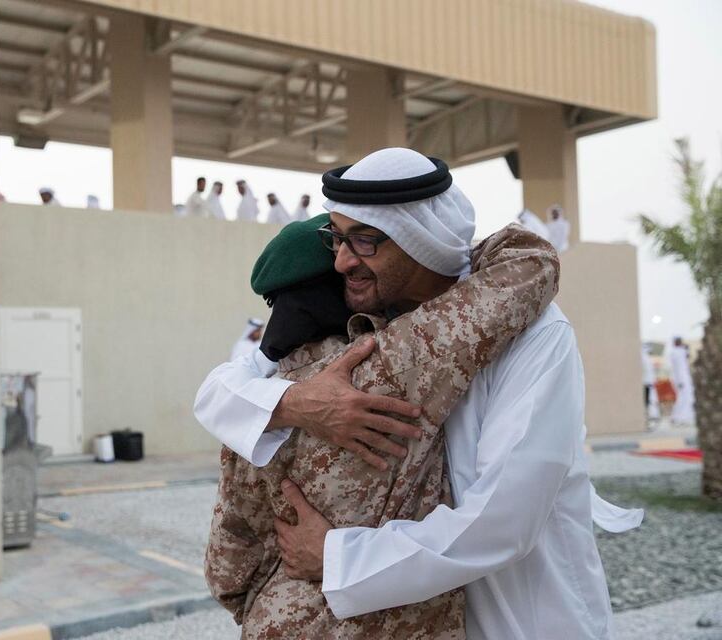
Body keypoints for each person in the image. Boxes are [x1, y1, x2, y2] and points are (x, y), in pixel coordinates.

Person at [195, 148, 642, 640]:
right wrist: (299, 403)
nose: (342, 261)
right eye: (336, 238)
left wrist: (337, 557)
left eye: (364, 241)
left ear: (420, 241)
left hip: (521, 615)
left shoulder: (534, 335)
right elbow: (223, 388)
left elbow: (505, 521)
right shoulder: (366, 326)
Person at [206, 215, 560, 638]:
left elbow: (227, 563)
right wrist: (444, 248)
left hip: (279, 620)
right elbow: (532, 261)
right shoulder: (394, 358)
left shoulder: (256, 400)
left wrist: (271, 591)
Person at [669, 337, 695, 425]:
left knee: (687, 398)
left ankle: (683, 417)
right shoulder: (677, 352)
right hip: (681, 379)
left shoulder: (678, 351)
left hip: (682, 378)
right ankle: (678, 417)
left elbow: (687, 356)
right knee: (683, 398)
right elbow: (678, 368)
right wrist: (680, 381)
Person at [642, 343, 660, 423]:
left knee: (651, 399)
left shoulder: (646, 357)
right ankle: (651, 415)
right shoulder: (644, 357)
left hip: (649, 382)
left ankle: (653, 415)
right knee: (650, 400)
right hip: (647, 383)